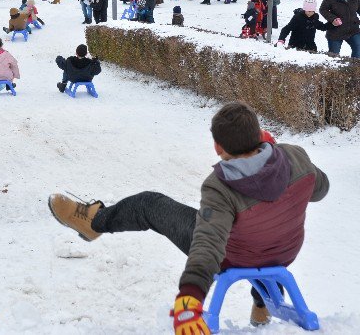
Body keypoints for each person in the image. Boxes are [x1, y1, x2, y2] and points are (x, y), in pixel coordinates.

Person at [47, 101, 329, 330]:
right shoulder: (296, 158)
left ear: (218, 147)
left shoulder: (220, 186)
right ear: (259, 135)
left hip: (235, 255)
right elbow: (320, 190)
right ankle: (263, 302)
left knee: (150, 204)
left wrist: (190, 297)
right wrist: (275, 155)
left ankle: (94, 222)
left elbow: (208, 245)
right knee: (267, 220)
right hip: (283, 250)